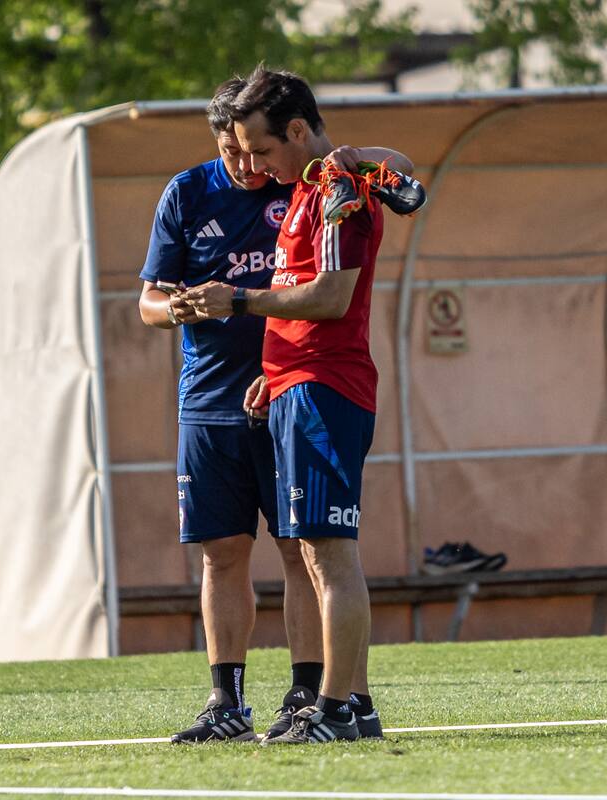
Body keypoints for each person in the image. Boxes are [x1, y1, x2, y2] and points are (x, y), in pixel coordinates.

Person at [139, 78, 412, 744]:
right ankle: (321, 704)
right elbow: (157, 298)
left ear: (293, 133)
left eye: (261, 148)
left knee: (321, 555)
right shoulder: (291, 194)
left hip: (324, 389)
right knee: (280, 554)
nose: (254, 165)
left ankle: (337, 704)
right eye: (239, 152)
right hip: (272, 390)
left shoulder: (330, 192)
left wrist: (238, 301)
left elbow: (329, 296)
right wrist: (275, 368)